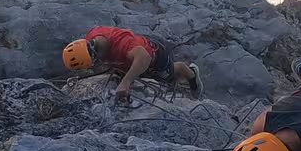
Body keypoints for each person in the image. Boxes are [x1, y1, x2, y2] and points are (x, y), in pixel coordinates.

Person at [62, 26, 200, 103]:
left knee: (166, 75)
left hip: (155, 56)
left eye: (96, 62)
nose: (96, 65)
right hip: (126, 59)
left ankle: (192, 74)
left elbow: (144, 57)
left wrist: (126, 82)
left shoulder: (122, 43)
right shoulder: (93, 37)